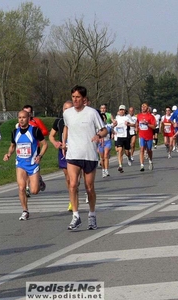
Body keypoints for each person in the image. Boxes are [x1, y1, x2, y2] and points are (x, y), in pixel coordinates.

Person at [63, 85, 107, 230]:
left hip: (89, 154)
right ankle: (75, 216)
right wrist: (64, 144)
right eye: (73, 97)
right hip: (73, 154)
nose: (75, 100)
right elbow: (67, 128)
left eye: (78, 97)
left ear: (84, 99)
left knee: (89, 187)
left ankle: (92, 215)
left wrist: (98, 135)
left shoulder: (92, 113)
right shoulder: (67, 114)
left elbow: (105, 129)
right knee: (73, 184)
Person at [3, 110, 48, 220]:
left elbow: (45, 144)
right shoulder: (15, 132)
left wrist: (40, 156)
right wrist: (8, 154)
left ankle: (39, 182)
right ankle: (25, 210)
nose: (21, 120)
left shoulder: (35, 131)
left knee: (34, 191)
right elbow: (12, 146)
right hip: (20, 164)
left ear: (28, 118)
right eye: (19, 117)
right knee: (21, 187)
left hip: (33, 163)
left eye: (24, 117)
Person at [49, 100, 74, 211]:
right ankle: (72, 200)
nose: (67, 111)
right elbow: (51, 136)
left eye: (70, 109)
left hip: (76, 151)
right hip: (63, 151)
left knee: (75, 180)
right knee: (68, 178)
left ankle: (75, 194)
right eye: (65, 109)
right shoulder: (59, 121)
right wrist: (55, 143)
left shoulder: (78, 120)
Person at [21, 105, 48, 196]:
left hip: (35, 148)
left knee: (32, 166)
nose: (26, 114)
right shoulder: (20, 123)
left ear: (31, 113)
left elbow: (45, 131)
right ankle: (28, 187)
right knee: (25, 168)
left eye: (28, 113)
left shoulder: (36, 121)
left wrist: (37, 133)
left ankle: (37, 180)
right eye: (25, 112)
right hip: (24, 149)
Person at [136, 102, 156, 171]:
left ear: (147, 108)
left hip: (149, 136)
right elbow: (137, 123)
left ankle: (150, 161)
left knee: (149, 150)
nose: (143, 108)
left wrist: (147, 124)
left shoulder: (151, 116)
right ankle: (142, 165)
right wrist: (136, 127)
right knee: (142, 149)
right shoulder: (138, 116)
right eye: (142, 106)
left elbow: (154, 127)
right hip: (142, 136)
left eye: (144, 107)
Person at [113, 105, 132, 173]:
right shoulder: (116, 118)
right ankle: (120, 165)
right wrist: (113, 131)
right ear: (119, 110)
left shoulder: (127, 117)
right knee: (120, 150)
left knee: (127, 152)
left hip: (126, 136)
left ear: (125, 111)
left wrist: (128, 124)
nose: (121, 111)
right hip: (119, 137)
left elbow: (134, 124)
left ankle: (129, 157)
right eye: (120, 110)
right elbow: (113, 125)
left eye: (123, 110)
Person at [97, 112, 112, 178]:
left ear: (105, 119)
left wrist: (114, 133)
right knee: (102, 158)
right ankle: (103, 170)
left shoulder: (108, 125)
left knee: (106, 156)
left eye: (104, 118)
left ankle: (106, 170)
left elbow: (113, 131)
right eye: (102, 118)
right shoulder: (97, 127)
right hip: (100, 144)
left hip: (107, 142)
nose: (103, 119)